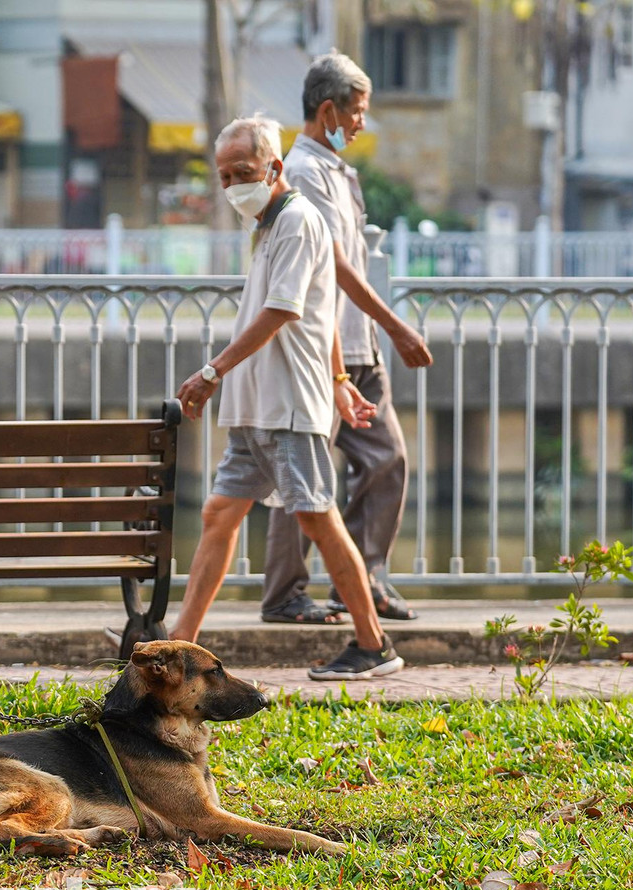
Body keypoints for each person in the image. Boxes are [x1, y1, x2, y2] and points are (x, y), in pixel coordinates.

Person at [170, 114, 404, 681]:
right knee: (219, 514)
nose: (233, 186)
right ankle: (178, 648)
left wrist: (212, 370)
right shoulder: (271, 226)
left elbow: (286, 310)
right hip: (257, 410)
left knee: (318, 520)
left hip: (288, 408)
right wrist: (343, 383)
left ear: (274, 167)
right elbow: (323, 316)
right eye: (224, 177)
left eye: (243, 172)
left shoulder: (297, 220)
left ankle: (374, 646)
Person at [259, 53, 434, 629]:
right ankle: (286, 593)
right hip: (322, 348)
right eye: (356, 112)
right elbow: (337, 267)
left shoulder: (339, 170)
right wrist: (396, 324)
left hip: (358, 349)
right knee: (303, 475)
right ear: (328, 109)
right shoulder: (305, 170)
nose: (361, 123)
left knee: (386, 459)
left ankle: (362, 580)